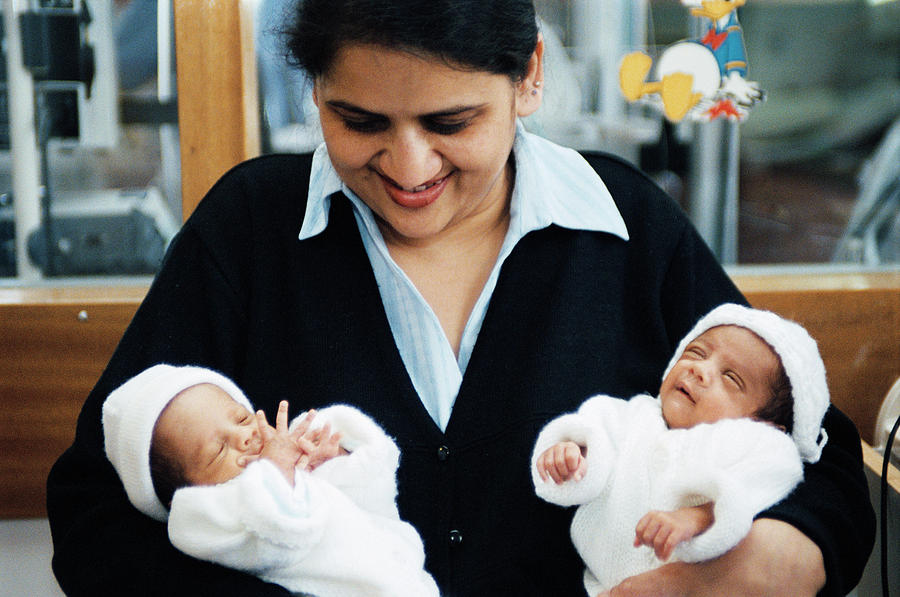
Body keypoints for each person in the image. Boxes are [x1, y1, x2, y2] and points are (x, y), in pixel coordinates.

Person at [47, 1, 874, 595]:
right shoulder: (249, 232)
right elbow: (92, 509)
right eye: (359, 120)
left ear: (529, 77)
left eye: (451, 121)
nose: (409, 168)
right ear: (313, 93)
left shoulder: (624, 229)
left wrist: (763, 560)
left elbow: (819, 455)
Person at [532, 304, 828, 595]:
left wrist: (700, 516)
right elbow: (592, 433)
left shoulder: (754, 443)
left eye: (730, 378)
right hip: (601, 584)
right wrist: (571, 454)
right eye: (696, 353)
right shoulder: (632, 416)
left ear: (764, 423)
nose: (699, 370)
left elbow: (756, 487)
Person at [101, 364, 439, 597]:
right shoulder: (202, 516)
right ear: (182, 492)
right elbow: (275, 535)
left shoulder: (284, 472)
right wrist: (278, 469)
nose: (244, 438)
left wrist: (334, 464)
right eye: (219, 450)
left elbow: (374, 505)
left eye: (242, 418)